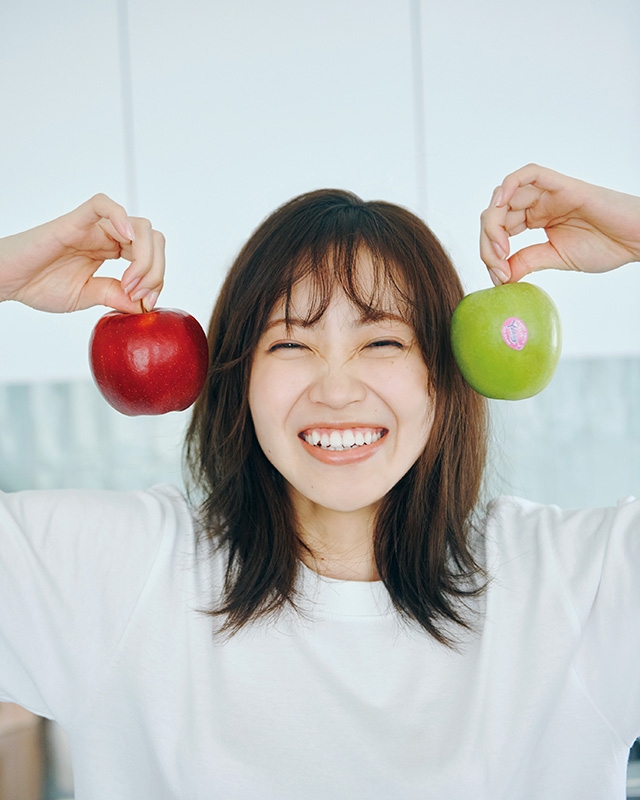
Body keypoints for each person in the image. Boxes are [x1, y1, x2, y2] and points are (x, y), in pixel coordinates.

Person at [0, 165, 639, 799]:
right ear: (239, 378)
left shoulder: (575, 589)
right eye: (289, 345)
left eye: (383, 341)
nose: (336, 390)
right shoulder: (118, 577)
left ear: (442, 377)